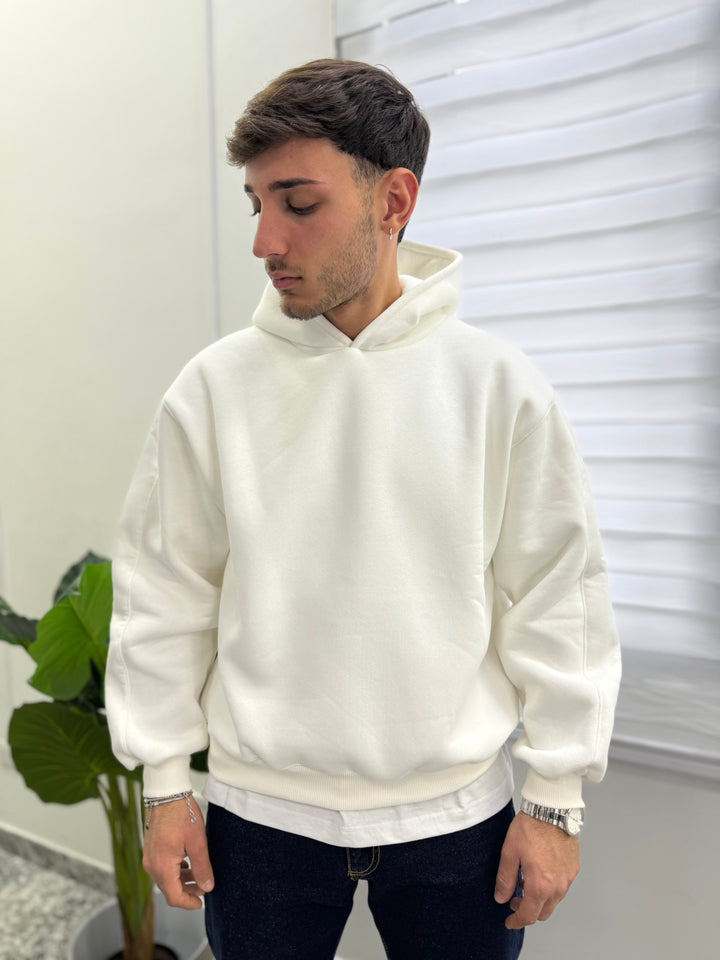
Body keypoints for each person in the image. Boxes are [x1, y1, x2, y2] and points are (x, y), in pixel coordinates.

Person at [106, 59, 621, 960]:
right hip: (259, 823)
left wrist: (554, 801)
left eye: (298, 204)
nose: (266, 241)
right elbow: (164, 591)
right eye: (256, 203)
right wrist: (165, 784)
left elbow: (559, 595)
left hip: (457, 823)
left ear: (394, 200)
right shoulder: (214, 389)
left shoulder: (496, 387)